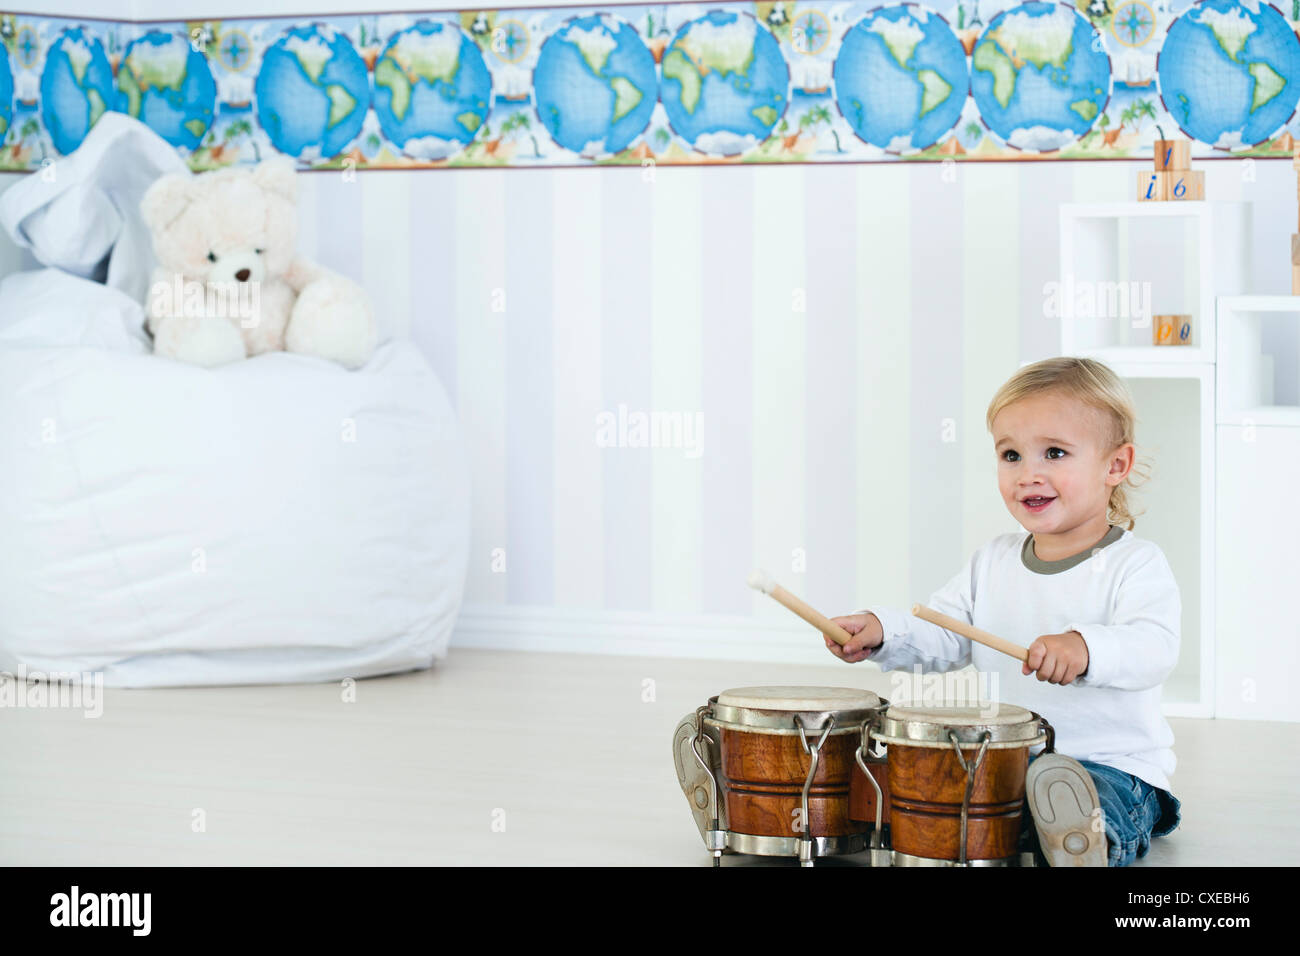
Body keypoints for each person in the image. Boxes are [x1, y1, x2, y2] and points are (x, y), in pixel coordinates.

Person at [827, 356, 1181, 866]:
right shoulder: (992, 560)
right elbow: (943, 632)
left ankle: (1084, 841)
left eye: (1054, 452)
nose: (1028, 474)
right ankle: (1022, 836)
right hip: (1009, 761)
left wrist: (1085, 648)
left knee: (1092, 800)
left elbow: (1155, 648)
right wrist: (883, 631)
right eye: (1010, 455)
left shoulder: (1135, 563)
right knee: (943, 792)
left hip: (1111, 767)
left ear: (1116, 465)